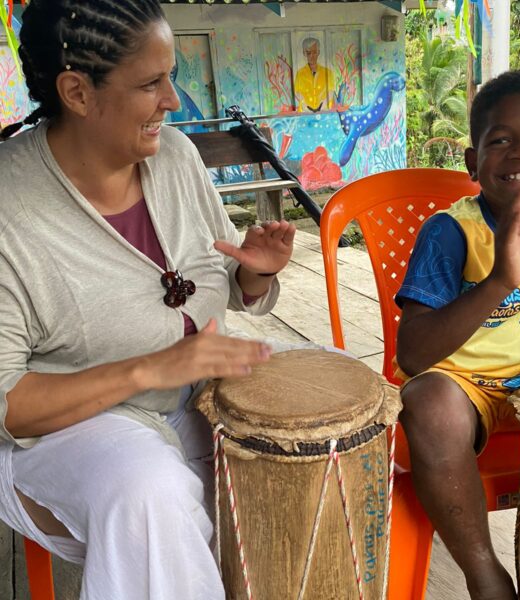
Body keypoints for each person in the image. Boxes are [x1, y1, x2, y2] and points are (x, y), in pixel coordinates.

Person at [0, 1, 298, 598]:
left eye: (172, 76)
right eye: (150, 83)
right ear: (77, 92)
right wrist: (152, 368)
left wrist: (255, 278)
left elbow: (216, 286)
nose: (172, 99)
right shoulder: (10, 206)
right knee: (150, 494)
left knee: (322, 427)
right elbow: (10, 407)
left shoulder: (176, 158)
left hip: (193, 399)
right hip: (66, 428)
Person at [394, 68, 520, 600]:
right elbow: (413, 355)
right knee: (428, 402)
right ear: (473, 161)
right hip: (464, 380)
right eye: (501, 140)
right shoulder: (451, 231)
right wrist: (501, 280)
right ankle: (485, 573)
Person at [294, 37, 335, 113]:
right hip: (305, 113)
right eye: (308, 53)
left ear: (318, 52)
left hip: (324, 113)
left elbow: (331, 92)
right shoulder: (300, 74)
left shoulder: (328, 73)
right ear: (304, 53)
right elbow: (297, 93)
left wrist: (323, 107)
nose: (312, 56)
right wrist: (304, 106)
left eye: (314, 52)